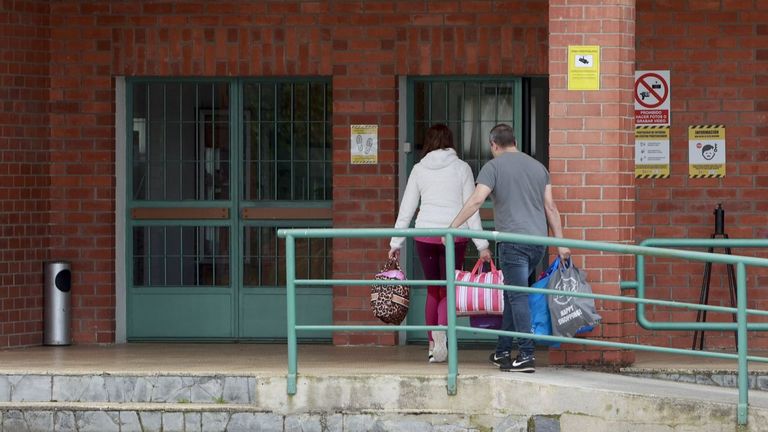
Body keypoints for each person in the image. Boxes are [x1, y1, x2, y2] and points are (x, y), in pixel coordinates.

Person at [449, 123, 570, 373]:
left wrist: (452, 228)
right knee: (512, 295)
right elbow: (550, 207)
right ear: (513, 141)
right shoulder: (538, 167)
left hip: (513, 243)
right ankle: (503, 350)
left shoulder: (493, 167)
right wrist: (560, 243)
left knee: (517, 297)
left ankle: (526, 354)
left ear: (493, 144)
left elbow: (476, 200)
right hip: (538, 243)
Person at [389, 124, 490, 364]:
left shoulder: (419, 169)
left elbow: (408, 208)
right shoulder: (461, 168)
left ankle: (433, 345)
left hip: (425, 235)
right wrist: (482, 245)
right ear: (451, 141)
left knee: (433, 289)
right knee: (448, 288)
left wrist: (395, 242)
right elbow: (472, 208)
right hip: (454, 236)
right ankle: (444, 334)